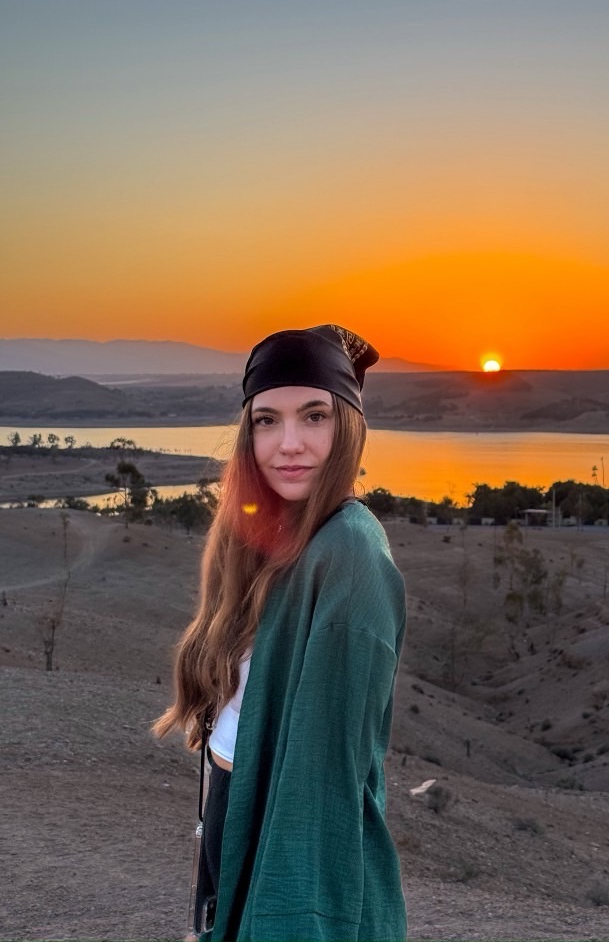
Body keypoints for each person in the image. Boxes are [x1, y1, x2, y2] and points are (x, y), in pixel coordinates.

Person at [154, 324, 407, 942]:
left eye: (314, 416)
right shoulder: (269, 542)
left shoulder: (348, 553)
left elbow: (322, 782)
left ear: (347, 426)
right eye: (267, 420)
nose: (288, 444)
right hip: (236, 810)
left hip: (286, 837)